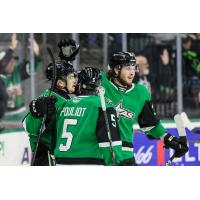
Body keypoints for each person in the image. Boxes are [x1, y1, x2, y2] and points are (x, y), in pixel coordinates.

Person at [99, 51, 188, 165]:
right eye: (127, 68)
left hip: (126, 156)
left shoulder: (141, 92)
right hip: (100, 155)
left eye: (133, 68)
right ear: (116, 70)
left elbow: (150, 124)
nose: (132, 72)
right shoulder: (100, 82)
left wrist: (169, 139)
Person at [22, 38, 80, 165]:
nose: (75, 80)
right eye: (71, 77)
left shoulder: (66, 97)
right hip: (46, 156)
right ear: (60, 83)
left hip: (60, 155)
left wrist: (66, 61)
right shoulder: (49, 98)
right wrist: (37, 111)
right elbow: (27, 126)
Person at [54, 67, 123, 165]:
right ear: (98, 85)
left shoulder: (65, 104)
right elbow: (109, 142)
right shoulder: (102, 105)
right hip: (88, 162)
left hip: (61, 161)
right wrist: (116, 163)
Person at [0, 33, 41, 121]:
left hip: (21, 114)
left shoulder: (16, 72)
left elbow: (32, 68)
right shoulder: (1, 78)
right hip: (4, 117)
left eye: (13, 61)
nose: (13, 63)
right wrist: (11, 48)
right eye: (10, 62)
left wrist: (36, 54)